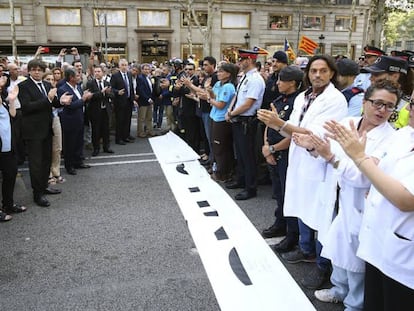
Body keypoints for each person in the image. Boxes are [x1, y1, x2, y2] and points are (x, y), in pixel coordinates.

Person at [294, 80, 399, 310]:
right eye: (378, 103)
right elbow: (325, 151)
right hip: (336, 195)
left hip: (360, 204)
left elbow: (364, 176)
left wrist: (332, 158)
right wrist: (311, 147)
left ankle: (355, 304)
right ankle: (339, 290)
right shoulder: (347, 123)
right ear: (364, 102)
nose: (382, 110)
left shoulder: (390, 139)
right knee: (336, 245)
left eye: (390, 106)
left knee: (356, 258)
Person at [257, 55, 348, 289]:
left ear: (332, 74)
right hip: (300, 162)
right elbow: (298, 132)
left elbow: (314, 134)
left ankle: (322, 266)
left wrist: (281, 124)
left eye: (323, 71)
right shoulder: (303, 97)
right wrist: (282, 129)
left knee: (322, 217)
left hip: (321, 165)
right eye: (313, 70)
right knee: (302, 208)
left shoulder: (335, 100)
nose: (317, 75)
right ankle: (305, 250)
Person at [323, 98, 414, 311]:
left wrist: (359, 157)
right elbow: (378, 165)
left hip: (403, 256)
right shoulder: (404, 134)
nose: (408, 109)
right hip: (377, 243)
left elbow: (406, 200)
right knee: (373, 300)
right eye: (410, 102)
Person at [260, 66, 304, 255]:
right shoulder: (278, 100)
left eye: (281, 80)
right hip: (273, 152)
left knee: (289, 195)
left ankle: (292, 234)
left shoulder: (298, 103)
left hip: (286, 153)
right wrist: (266, 148)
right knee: (278, 193)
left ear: (293, 82)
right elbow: (269, 124)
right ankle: (280, 223)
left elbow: (294, 132)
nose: (277, 83)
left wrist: (273, 149)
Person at [18, 59, 68, 207]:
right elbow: (27, 107)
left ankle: (44, 186)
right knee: (36, 164)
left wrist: (62, 101)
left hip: (47, 129)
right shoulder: (23, 86)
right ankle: (37, 193)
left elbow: (53, 103)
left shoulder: (46, 84)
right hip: (33, 132)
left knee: (46, 160)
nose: (37, 72)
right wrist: (48, 99)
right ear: (29, 71)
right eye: (34, 69)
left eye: (39, 69)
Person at [224, 49, 266, 200]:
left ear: (249, 60)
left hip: (247, 121)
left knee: (248, 156)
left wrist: (231, 113)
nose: (239, 62)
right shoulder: (245, 77)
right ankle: (241, 180)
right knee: (240, 154)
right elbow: (237, 96)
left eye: (241, 59)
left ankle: (251, 188)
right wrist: (230, 110)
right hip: (238, 119)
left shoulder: (255, 79)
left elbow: (249, 103)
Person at [197, 63, 238, 182]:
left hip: (222, 119)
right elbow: (214, 97)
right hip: (214, 116)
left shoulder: (229, 86)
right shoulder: (219, 84)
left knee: (221, 147)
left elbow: (220, 104)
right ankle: (218, 169)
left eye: (221, 72)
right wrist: (209, 91)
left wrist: (209, 98)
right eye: (218, 71)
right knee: (215, 146)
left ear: (228, 74)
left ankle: (223, 172)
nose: (218, 74)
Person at [0, 77, 26, 221]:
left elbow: (13, 115)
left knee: (10, 175)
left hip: (8, 146)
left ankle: (8, 205)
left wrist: (11, 101)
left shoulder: (3, 98)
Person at [58, 68, 93, 175]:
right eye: (77, 76)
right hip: (70, 120)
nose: (80, 78)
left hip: (80, 118)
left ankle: (78, 161)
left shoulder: (78, 87)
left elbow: (81, 102)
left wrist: (86, 98)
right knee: (70, 144)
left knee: (79, 142)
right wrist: (83, 99)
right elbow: (71, 106)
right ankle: (69, 166)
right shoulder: (63, 89)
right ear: (71, 78)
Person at [42, 72, 65, 185]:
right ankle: (48, 174)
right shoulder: (41, 91)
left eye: (52, 79)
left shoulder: (54, 90)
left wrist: (62, 101)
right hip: (44, 121)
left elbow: (57, 104)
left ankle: (56, 171)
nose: (50, 81)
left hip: (55, 118)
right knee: (46, 149)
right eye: (47, 79)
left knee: (57, 147)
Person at [86, 65, 114, 156]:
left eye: (99, 71)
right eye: (95, 72)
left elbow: (112, 95)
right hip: (95, 111)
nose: (97, 73)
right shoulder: (90, 83)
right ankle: (96, 148)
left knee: (106, 130)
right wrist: (101, 92)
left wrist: (108, 93)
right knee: (96, 131)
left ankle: (106, 147)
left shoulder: (107, 83)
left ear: (103, 73)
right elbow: (91, 97)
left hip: (105, 110)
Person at [110, 59, 135, 145]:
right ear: (119, 66)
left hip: (129, 101)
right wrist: (117, 92)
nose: (124, 67)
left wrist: (133, 98)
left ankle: (126, 136)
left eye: (125, 65)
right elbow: (111, 88)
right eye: (122, 65)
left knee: (127, 120)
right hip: (120, 102)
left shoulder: (129, 74)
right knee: (120, 121)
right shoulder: (115, 76)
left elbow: (131, 87)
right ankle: (119, 138)